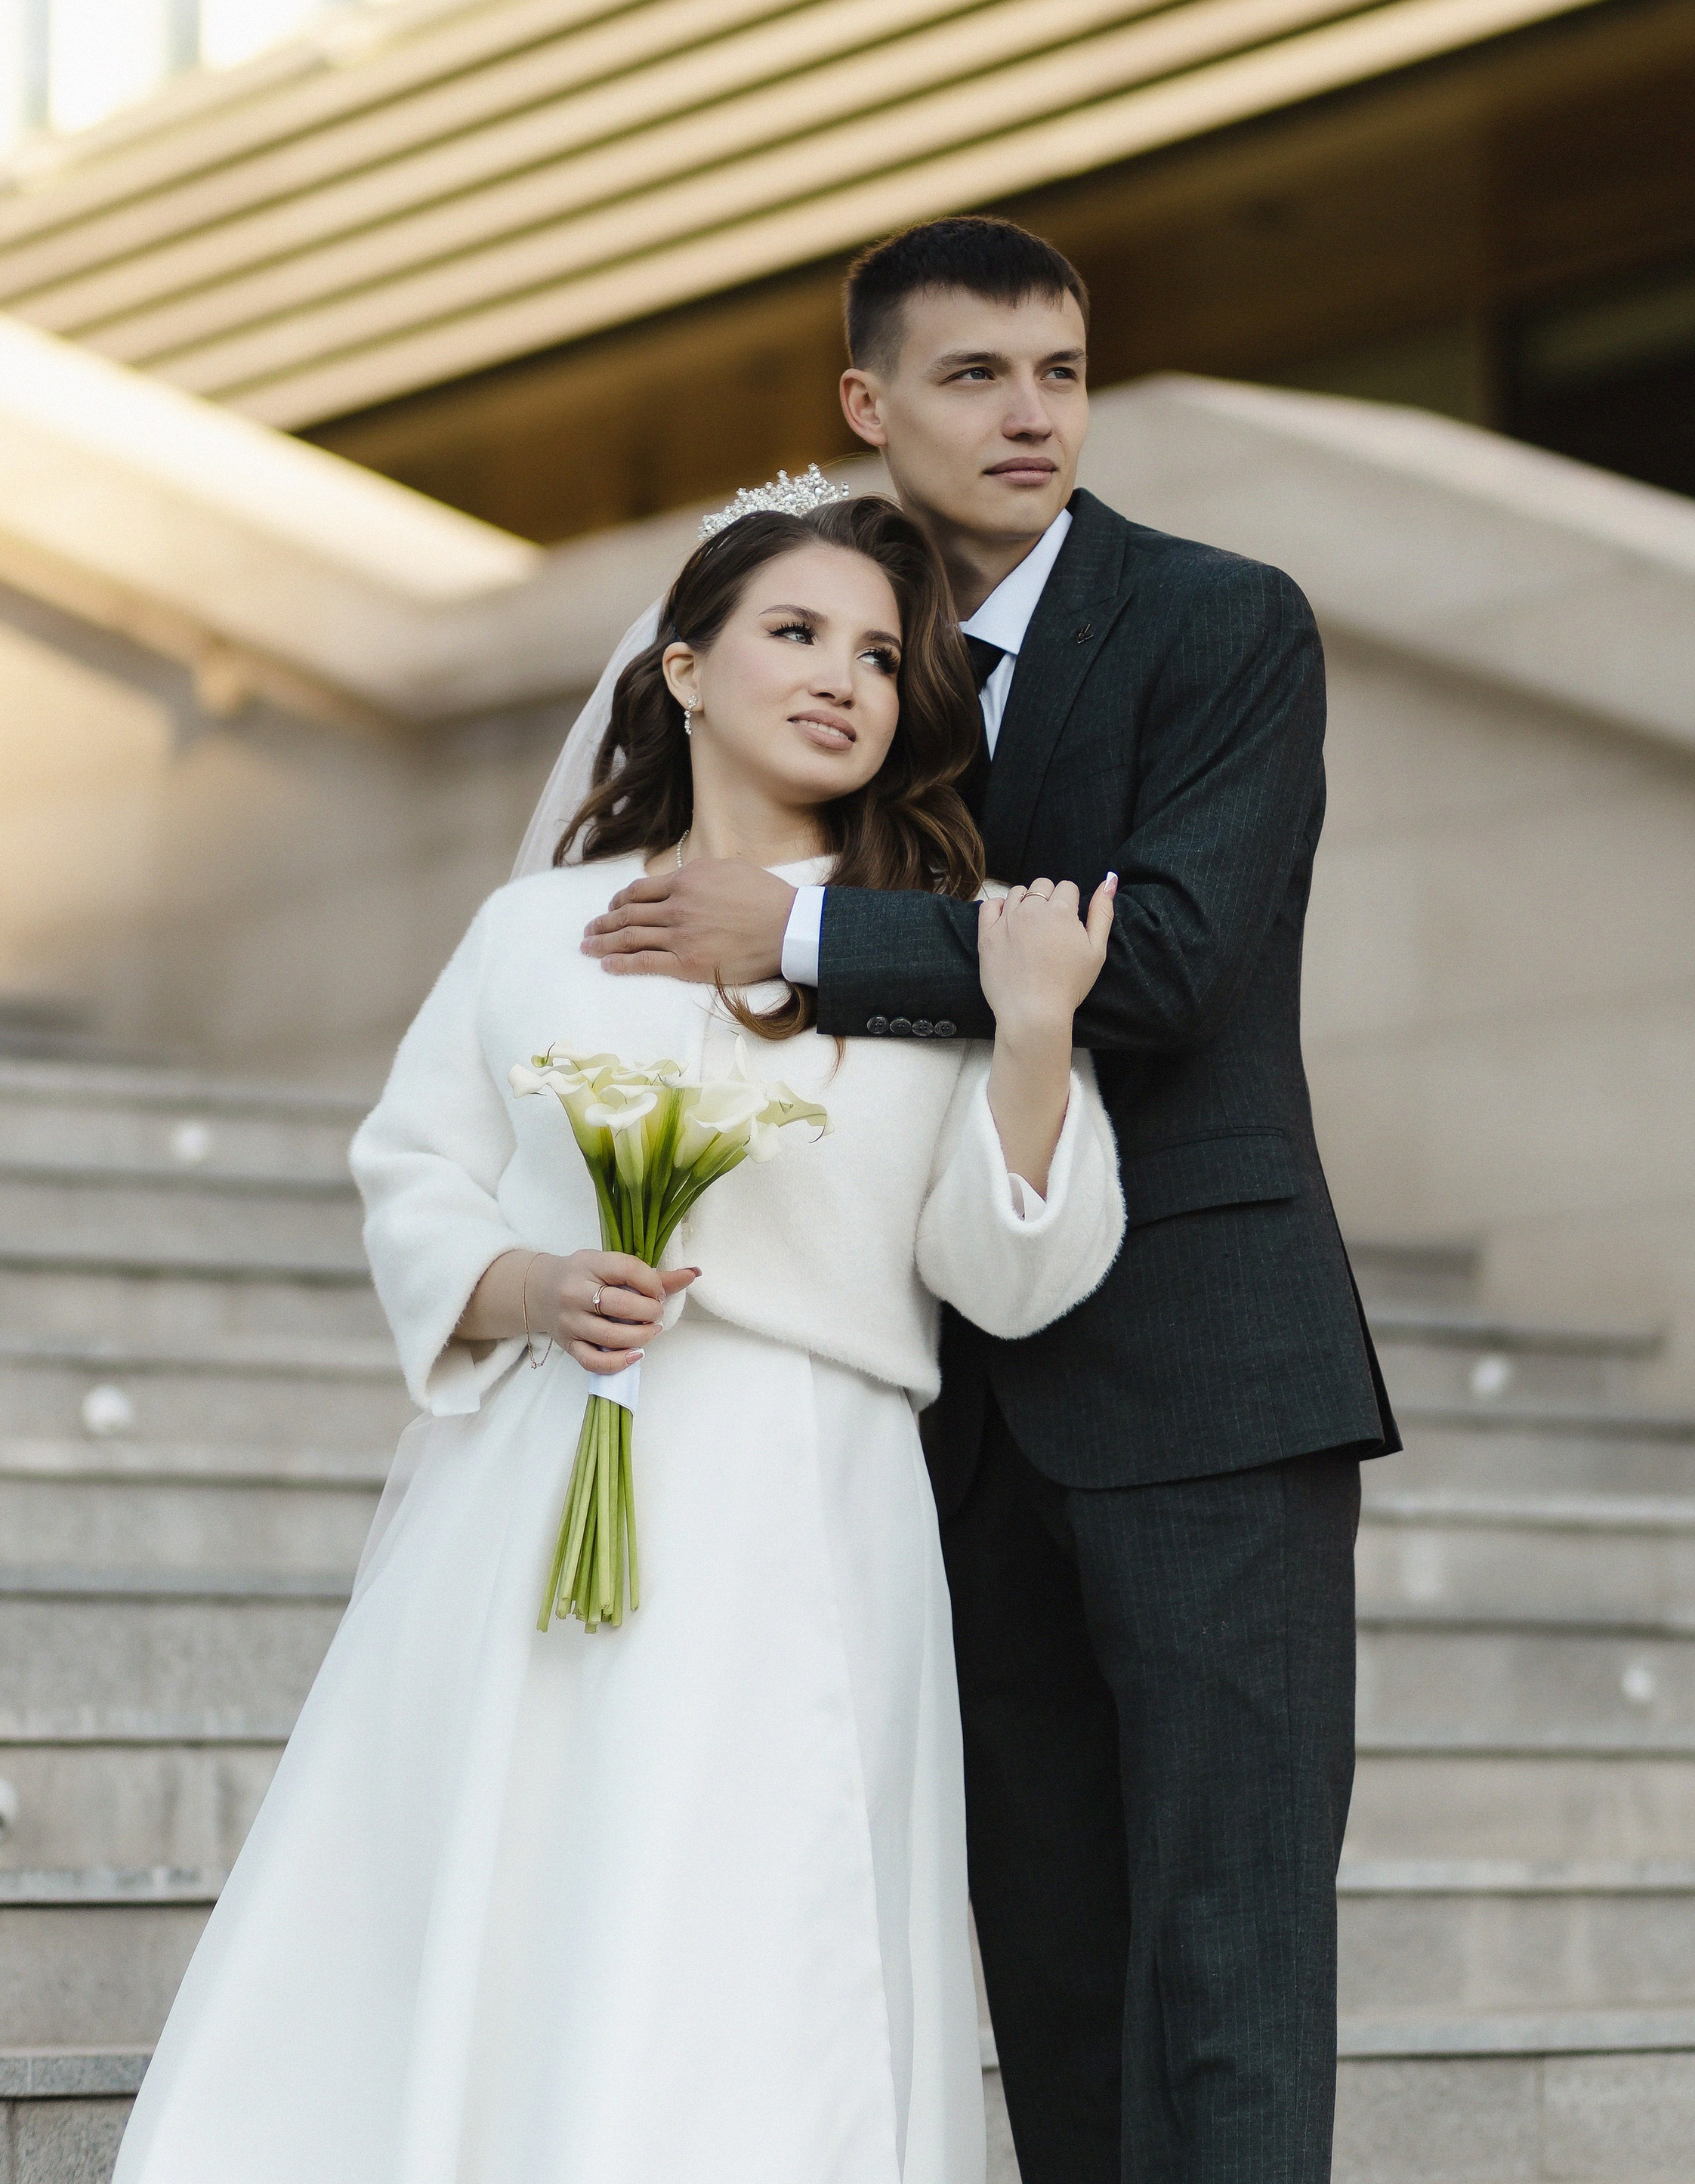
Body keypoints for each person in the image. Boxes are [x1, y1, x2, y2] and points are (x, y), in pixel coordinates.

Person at [114, 493, 1125, 2184]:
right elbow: (414, 1169)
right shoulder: (533, 931)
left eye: (880, 653)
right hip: (530, 1483)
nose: (842, 679)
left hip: (807, 1498)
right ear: (682, 668)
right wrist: (528, 1288)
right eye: (794, 635)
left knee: (750, 1920)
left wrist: (1029, 1039)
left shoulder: (919, 942)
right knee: (508, 1883)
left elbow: (1007, 1274)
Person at [579, 217, 1400, 2184]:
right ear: (868, 406)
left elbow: (1176, 959)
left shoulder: (1223, 624)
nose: (1032, 415)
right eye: (974, 376)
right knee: (1043, 1967)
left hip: (1206, 1383)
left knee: (1229, 1959)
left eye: (1060, 370)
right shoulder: (849, 661)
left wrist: (797, 928)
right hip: (937, 1404)